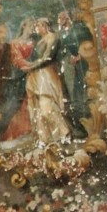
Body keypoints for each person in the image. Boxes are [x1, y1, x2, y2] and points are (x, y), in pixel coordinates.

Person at [24, 17, 70, 145]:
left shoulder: (52, 37)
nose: (37, 28)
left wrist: (31, 66)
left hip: (47, 74)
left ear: (45, 26)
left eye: (39, 25)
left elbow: (48, 57)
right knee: (38, 109)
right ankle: (44, 138)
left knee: (47, 107)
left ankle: (64, 132)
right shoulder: (40, 40)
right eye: (37, 26)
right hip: (37, 74)